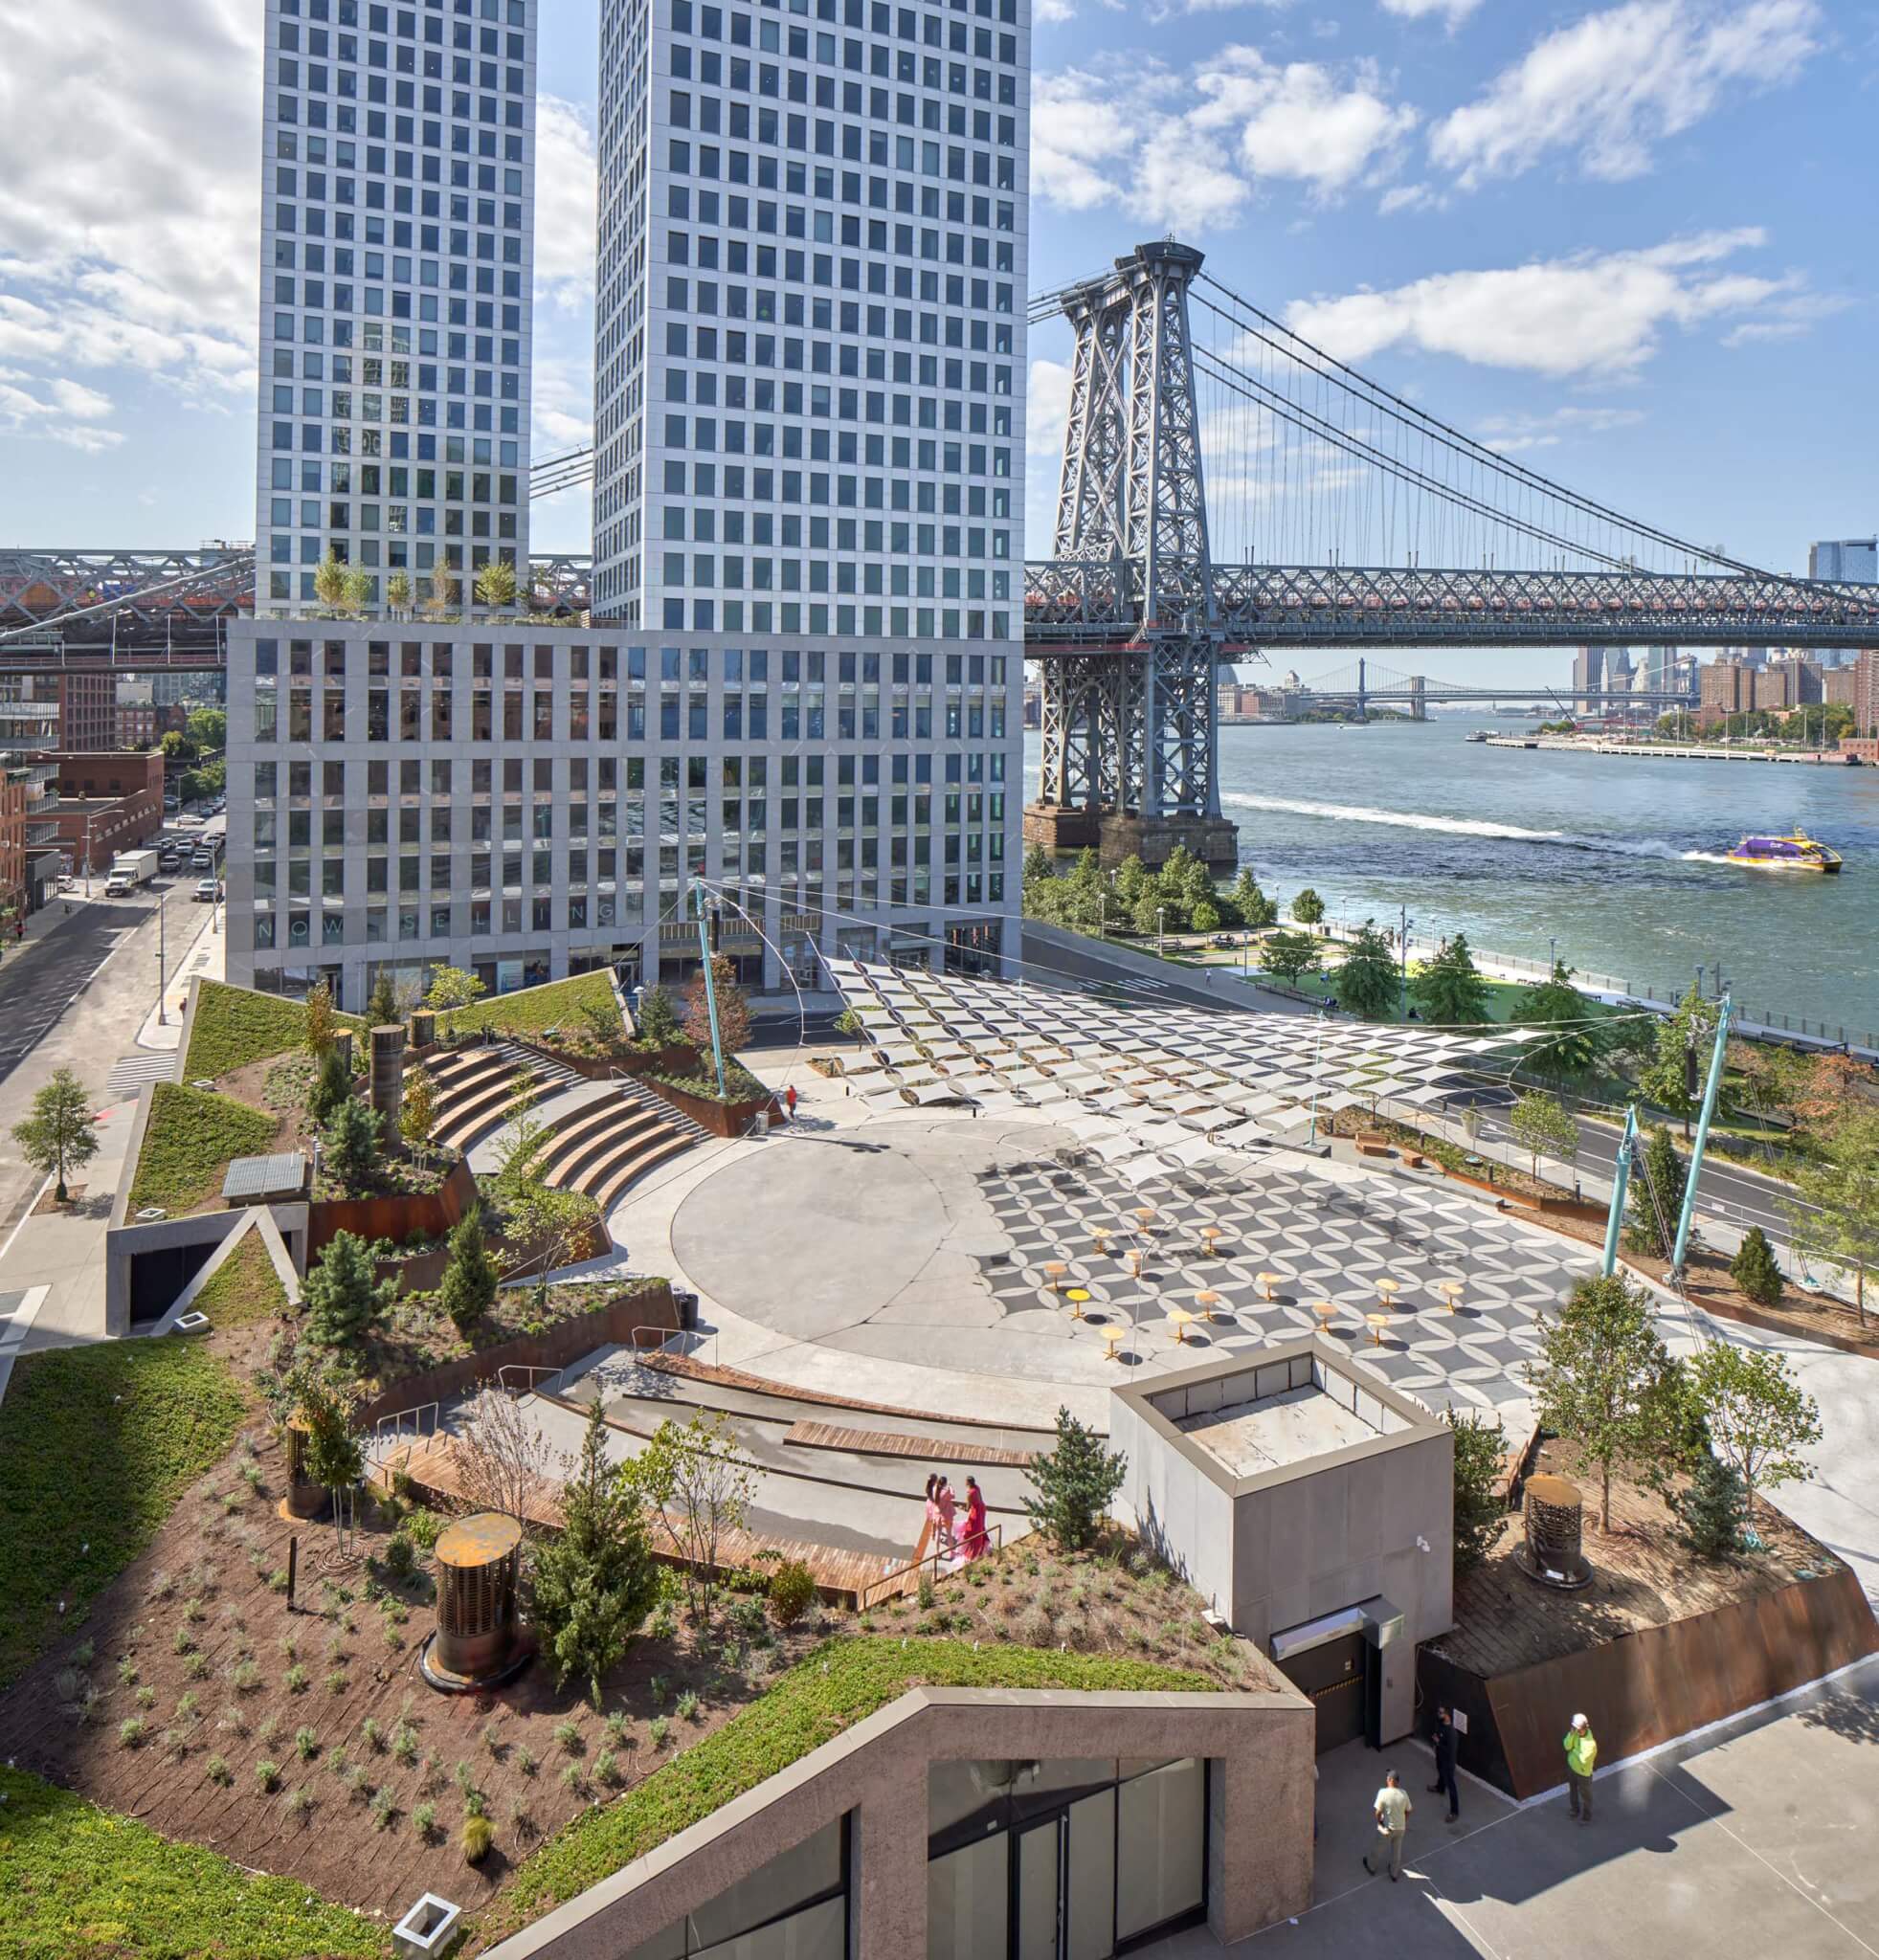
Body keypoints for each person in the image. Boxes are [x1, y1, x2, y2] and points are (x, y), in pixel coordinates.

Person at [1362, 1770, 1412, 1882]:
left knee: (1378, 1847)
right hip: (1401, 1828)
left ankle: (1371, 1866)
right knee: (1397, 1850)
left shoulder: (1383, 1792)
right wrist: (1404, 1820)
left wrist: (1379, 1822)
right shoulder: (1404, 1793)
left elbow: (1378, 1812)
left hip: (1388, 1828)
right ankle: (1394, 1873)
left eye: (1387, 1778)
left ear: (1390, 1780)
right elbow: (1409, 1810)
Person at [1428, 1704, 1459, 1822]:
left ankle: (1454, 1812)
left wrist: (1438, 1743)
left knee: (1451, 1785)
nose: (1438, 1714)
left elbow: (1450, 1751)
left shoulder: (1452, 1733)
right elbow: (1437, 1735)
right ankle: (1440, 1788)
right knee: (1440, 1772)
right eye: (1438, 1712)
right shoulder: (1440, 1725)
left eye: (1441, 1713)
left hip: (1448, 1762)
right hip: (1440, 1757)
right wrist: (1435, 1741)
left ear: (1447, 1715)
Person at [1564, 1713, 1598, 1823]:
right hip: (1572, 1768)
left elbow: (1583, 1760)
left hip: (1583, 1774)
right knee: (1573, 1790)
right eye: (1574, 1728)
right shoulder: (1574, 1733)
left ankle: (1586, 1817)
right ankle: (1575, 1810)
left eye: (1578, 1729)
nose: (1576, 1731)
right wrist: (1570, 1734)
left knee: (1586, 1796)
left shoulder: (1590, 1744)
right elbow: (1566, 1746)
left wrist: (1573, 1751)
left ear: (1585, 1728)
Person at [957, 1474, 989, 1561]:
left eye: (965, 1481)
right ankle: (981, 1542)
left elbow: (967, 1509)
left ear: (968, 1483)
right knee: (980, 1526)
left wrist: (961, 1507)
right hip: (982, 1508)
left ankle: (973, 1549)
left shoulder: (969, 1494)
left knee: (972, 1529)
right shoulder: (977, 1488)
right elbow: (980, 1499)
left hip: (976, 1512)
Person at [912, 1474, 940, 1566]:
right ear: (935, 1480)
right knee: (935, 1520)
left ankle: (933, 1533)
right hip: (933, 1505)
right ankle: (933, 1533)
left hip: (928, 1504)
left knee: (931, 1519)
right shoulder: (935, 1488)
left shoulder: (928, 1487)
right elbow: (936, 1498)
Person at [932, 1475, 957, 1562]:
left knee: (938, 1534)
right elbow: (953, 1496)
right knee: (949, 1534)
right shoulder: (946, 1492)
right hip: (946, 1515)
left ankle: (937, 1552)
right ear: (945, 1483)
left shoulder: (934, 1489)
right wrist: (951, 1487)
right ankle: (951, 1553)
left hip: (937, 1514)